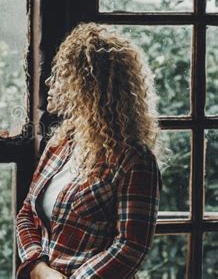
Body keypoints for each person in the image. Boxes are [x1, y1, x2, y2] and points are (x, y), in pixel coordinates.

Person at [15, 22, 165, 278]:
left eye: (62, 74)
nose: (50, 82)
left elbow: (131, 247)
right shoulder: (62, 142)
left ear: (88, 85)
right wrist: (40, 269)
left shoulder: (135, 161)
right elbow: (27, 212)